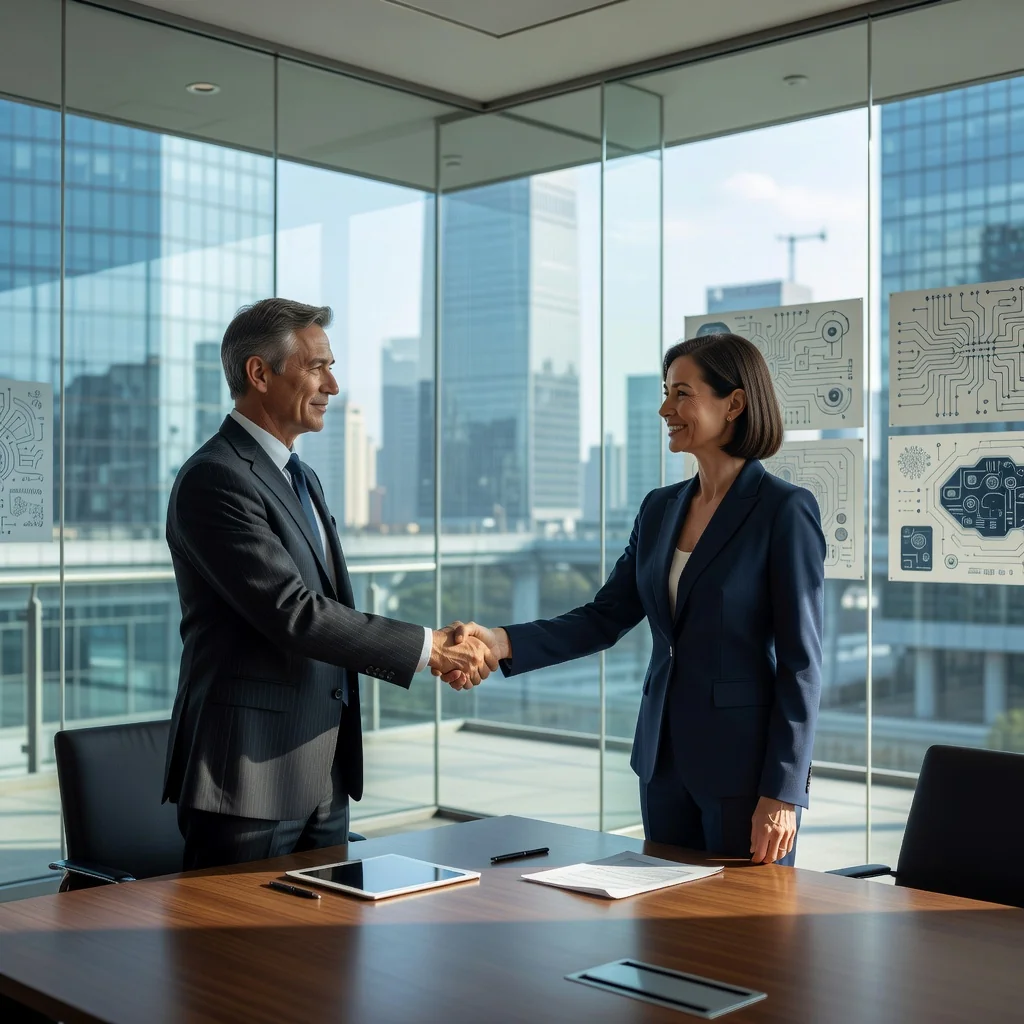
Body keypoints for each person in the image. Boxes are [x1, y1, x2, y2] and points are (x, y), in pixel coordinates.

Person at [441, 333, 825, 866]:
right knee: (663, 928)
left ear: (733, 403)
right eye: (666, 393)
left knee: (745, 933)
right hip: (661, 762)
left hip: (744, 774)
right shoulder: (660, 508)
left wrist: (784, 791)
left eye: (682, 394)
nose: (666, 409)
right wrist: (501, 642)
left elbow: (802, 665)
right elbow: (605, 616)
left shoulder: (784, 511)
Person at [163, 298, 493, 870]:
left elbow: (324, 603)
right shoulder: (215, 478)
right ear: (259, 373)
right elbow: (293, 612)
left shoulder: (300, 475)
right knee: (236, 949)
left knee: (326, 948)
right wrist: (429, 647)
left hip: (323, 768)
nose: (332, 386)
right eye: (317, 367)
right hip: (250, 774)